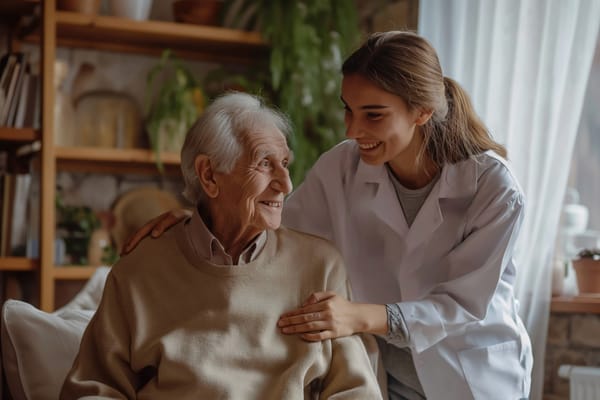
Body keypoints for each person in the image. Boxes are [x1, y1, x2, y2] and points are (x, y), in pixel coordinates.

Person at [124, 31, 533, 400]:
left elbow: (462, 305)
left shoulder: (493, 188)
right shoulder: (343, 166)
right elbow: (276, 227)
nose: (353, 130)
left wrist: (359, 316)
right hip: (392, 380)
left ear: (422, 111)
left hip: (471, 378)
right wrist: (203, 215)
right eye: (348, 110)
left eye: (373, 115)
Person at [61, 92, 383, 399]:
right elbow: (93, 388)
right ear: (209, 176)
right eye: (265, 164)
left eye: (285, 162)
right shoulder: (140, 269)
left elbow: (355, 392)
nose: (286, 184)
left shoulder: (320, 265)